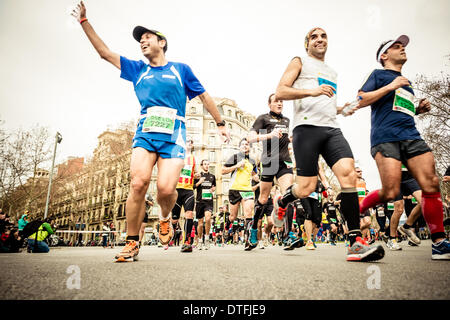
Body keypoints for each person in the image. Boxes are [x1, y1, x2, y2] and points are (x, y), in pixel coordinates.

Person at [71, 1, 229, 262]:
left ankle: (165, 217)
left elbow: (204, 96)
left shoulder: (180, 70)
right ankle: (132, 242)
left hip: (174, 135)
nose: (142, 42)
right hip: (145, 133)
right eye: (140, 40)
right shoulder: (137, 69)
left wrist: (220, 123)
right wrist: (84, 22)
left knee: (166, 190)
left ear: (162, 43)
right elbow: (104, 52)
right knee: (138, 182)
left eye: (147, 38)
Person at [272, 27, 384, 262]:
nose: (320, 39)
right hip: (306, 129)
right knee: (306, 188)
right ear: (307, 44)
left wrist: (341, 108)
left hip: (332, 129)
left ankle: (355, 242)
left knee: (349, 175)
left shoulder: (332, 72)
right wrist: (312, 90)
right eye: (314, 36)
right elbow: (280, 90)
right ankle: (284, 200)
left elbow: (326, 103)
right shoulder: (299, 61)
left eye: (324, 36)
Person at [355, 34, 450, 260]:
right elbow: (360, 100)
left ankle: (439, 241)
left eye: (403, 46)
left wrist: (418, 110)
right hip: (385, 138)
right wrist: (391, 86)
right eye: (396, 47)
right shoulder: (378, 75)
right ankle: (355, 211)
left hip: (411, 136)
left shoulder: (407, 83)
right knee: (390, 192)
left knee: (431, 184)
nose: (402, 49)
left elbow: (398, 111)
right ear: (384, 56)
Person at [246, 93, 293, 250]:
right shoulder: (263, 118)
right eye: (276, 101)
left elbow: (287, 139)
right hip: (268, 161)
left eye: (282, 101)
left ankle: (288, 235)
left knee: (289, 194)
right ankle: (253, 230)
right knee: (263, 198)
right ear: (269, 104)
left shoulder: (287, 120)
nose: (280, 103)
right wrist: (269, 135)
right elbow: (250, 137)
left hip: (285, 161)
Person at [222, 138, 258, 250]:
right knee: (233, 217)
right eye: (242, 144)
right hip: (234, 189)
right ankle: (227, 227)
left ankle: (248, 240)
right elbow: (223, 170)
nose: (245, 146)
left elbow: (254, 174)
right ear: (239, 147)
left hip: (247, 190)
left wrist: (258, 178)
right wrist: (236, 166)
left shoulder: (252, 161)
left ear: (249, 147)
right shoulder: (235, 157)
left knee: (249, 212)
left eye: (247, 144)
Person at [171, 137, 200, 253]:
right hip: (177, 190)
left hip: (188, 190)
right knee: (175, 219)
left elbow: (196, 172)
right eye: (188, 141)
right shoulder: (177, 156)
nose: (190, 143)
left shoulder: (193, 159)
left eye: (191, 142)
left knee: (189, 214)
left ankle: (187, 242)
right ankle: (171, 236)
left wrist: (197, 174)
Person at [194, 159, 216, 250]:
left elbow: (214, 186)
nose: (207, 165)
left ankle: (206, 239)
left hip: (208, 201)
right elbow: (193, 187)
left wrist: (213, 189)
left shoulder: (212, 176)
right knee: (200, 223)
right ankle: (199, 241)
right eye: (205, 164)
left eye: (208, 164)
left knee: (207, 219)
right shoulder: (198, 175)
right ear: (202, 165)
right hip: (199, 201)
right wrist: (200, 182)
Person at [355, 167, 372, 243]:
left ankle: (361, 239)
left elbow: (364, 192)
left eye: (361, 171)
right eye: (358, 171)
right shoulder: (352, 181)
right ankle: (356, 238)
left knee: (368, 222)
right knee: (361, 223)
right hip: (356, 205)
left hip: (365, 205)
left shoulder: (363, 181)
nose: (360, 173)